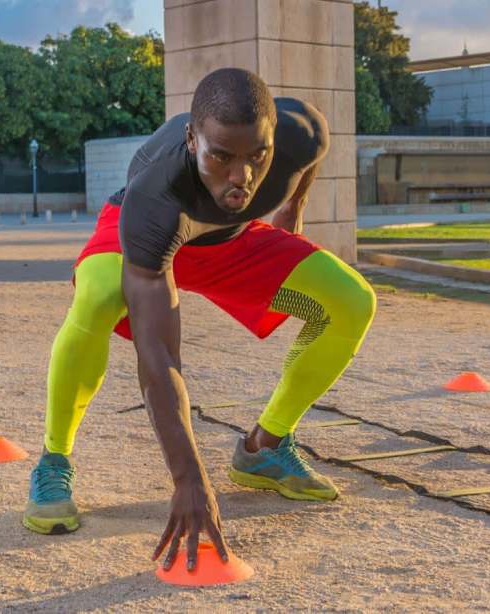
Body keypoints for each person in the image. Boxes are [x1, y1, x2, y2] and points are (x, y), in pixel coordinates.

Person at [22, 68, 376, 572]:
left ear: (274, 138)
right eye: (221, 156)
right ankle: (53, 460)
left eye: (258, 156)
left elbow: (310, 153)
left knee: (353, 301)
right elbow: (159, 355)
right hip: (148, 233)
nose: (243, 176)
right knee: (97, 299)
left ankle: (265, 447)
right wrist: (188, 478)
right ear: (192, 140)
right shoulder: (154, 194)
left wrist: (293, 203)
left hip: (229, 238)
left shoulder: (301, 133)